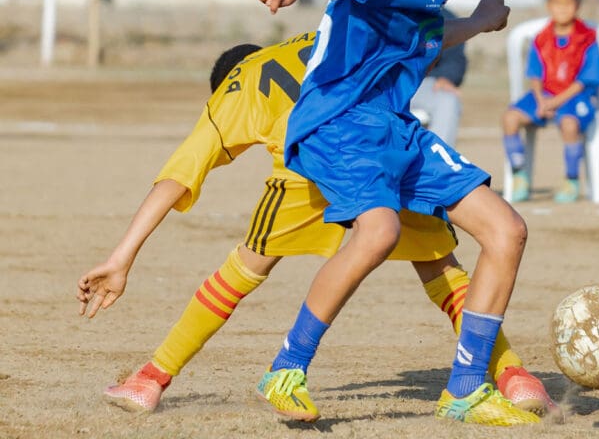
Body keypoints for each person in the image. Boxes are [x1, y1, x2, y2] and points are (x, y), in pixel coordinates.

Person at [75, 34, 557, 418]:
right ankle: (514, 376)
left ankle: (150, 380)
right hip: (377, 147)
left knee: (241, 271)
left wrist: (121, 258)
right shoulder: (314, 38)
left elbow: (176, 180)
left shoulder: (237, 85)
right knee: (440, 267)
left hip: (308, 167)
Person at [254, 0, 540, 426]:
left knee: (506, 231)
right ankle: (286, 369)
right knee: (379, 232)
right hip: (339, 120)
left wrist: (481, 23)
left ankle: (465, 388)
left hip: (395, 126)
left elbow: (424, 41)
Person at [501, 0, 599, 203]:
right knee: (510, 118)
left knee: (569, 124)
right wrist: (540, 99)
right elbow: (535, 76)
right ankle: (519, 175)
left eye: (568, 3)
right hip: (544, 96)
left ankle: (571, 180)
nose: (562, 8)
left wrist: (555, 103)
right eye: (557, 3)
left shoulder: (588, 39)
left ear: (577, 5)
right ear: (549, 5)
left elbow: (583, 82)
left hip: (574, 97)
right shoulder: (541, 39)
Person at [411, 7, 467, 146]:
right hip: (381, 84)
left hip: (423, 84)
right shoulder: (379, 10)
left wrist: (447, 76)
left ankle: (437, 162)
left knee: (448, 99)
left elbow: (454, 59)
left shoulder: (446, 18)